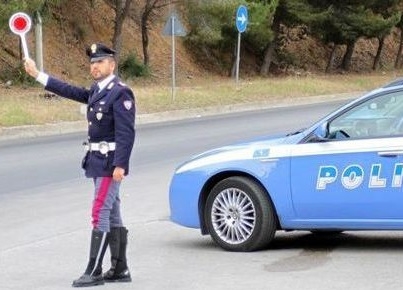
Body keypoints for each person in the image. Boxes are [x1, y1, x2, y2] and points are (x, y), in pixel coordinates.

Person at [24, 43, 135, 287]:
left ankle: (94, 271)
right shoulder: (97, 89)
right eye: (92, 63)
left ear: (112, 65)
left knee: (99, 211)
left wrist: (121, 166)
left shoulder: (120, 92)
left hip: (109, 164)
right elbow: (70, 91)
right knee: (112, 212)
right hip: (97, 161)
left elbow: (126, 133)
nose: (94, 66)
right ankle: (120, 268)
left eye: (100, 62)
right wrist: (38, 75)